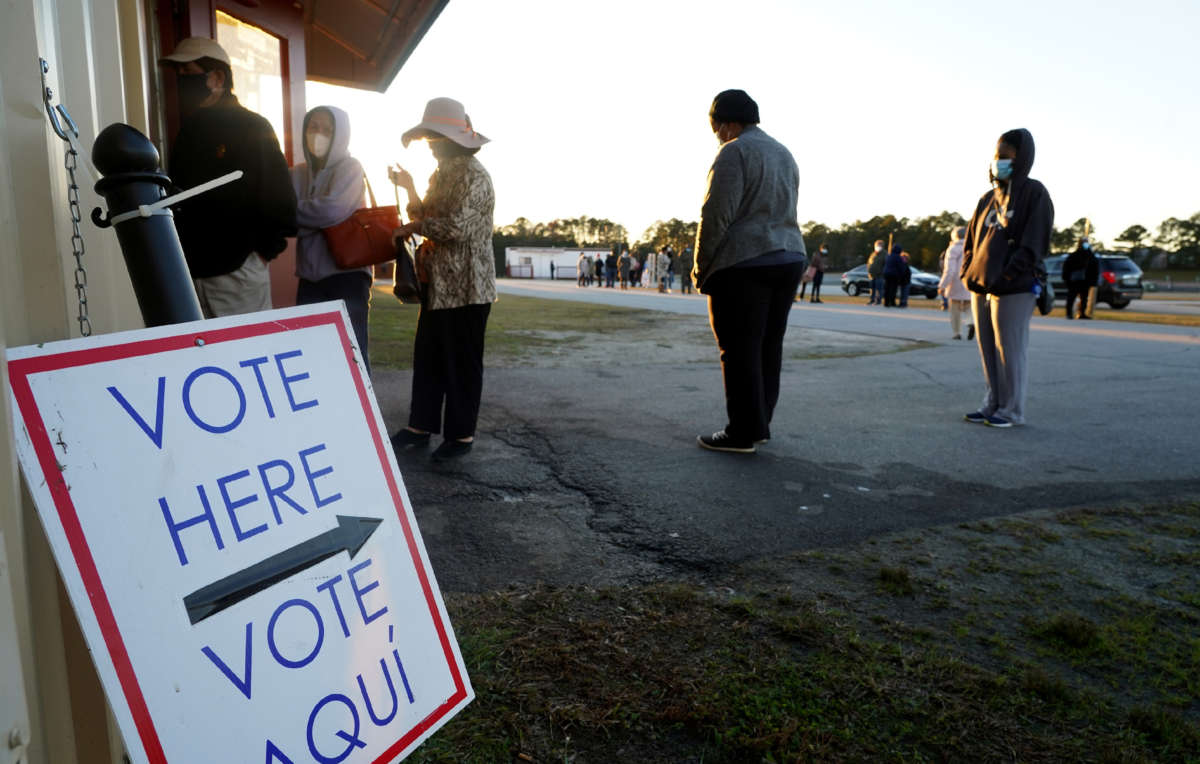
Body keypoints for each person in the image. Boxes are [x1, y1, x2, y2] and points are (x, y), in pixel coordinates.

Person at [692, 89, 806, 454]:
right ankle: (759, 425)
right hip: (788, 257)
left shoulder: (734, 151)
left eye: (715, 127)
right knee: (768, 346)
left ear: (725, 123)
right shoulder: (784, 153)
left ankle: (741, 431)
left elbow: (716, 215)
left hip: (747, 261)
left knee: (738, 348)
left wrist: (701, 266)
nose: (717, 135)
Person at [387, 97, 497, 460]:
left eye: (436, 137)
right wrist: (408, 188)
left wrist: (415, 225)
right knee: (430, 356)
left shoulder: (475, 176)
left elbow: (457, 227)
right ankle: (421, 426)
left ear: (454, 139)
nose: (431, 144)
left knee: (462, 363)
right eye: (429, 137)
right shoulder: (443, 172)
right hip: (439, 284)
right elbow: (426, 214)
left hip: (468, 286)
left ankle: (461, 435)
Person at [160, 37, 296, 317]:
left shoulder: (252, 126)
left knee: (248, 348)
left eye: (188, 73)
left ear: (217, 77)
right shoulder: (188, 132)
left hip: (238, 276)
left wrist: (259, 253)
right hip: (189, 275)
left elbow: (281, 200)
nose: (181, 82)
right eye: (179, 75)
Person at [961, 128, 1054, 428]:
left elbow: (1034, 242)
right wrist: (967, 272)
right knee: (987, 348)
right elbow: (971, 240)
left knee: (1009, 349)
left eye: (1006, 156)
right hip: (981, 284)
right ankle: (992, 403)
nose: (998, 161)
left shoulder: (1034, 193)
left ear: (1021, 158)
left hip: (1014, 287)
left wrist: (1009, 274)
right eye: (996, 155)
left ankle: (1012, 409)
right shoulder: (988, 198)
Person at [290, 106, 372, 368]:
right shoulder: (297, 173)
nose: (318, 134)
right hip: (309, 278)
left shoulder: (350, 167)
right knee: (311, 355)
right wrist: (311, 219)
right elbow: (284, 215)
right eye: (313, 127)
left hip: (347, 275)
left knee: (352, 353)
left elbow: (331, 210)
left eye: (327, 129)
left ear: (341, 134)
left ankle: (361, 410)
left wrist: (300, 219)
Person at [938, 227, 974, 340]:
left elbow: (950, 270)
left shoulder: (953, 249)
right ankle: (970, 322)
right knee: (969, 307)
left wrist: (942, 285)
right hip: (969, 281)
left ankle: (957, 333)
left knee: (955, 309)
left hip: (956, 282)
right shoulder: (973, 247)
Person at [1062, 237, 1098, 319]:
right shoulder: (1074, 256)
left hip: (1085, 281)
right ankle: (1069, 313)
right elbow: (1067, 268)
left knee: (1084, 298)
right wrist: (1067, 278)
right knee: (1071, 297)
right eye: (1084, 242)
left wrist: (1093, 280)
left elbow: (1094, 268)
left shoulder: (1090, 256)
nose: (1086, 244)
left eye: (1086, 242)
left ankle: (1082, 313)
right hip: (1074, 281)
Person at [867, 240, 886, 304]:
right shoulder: (873, 254)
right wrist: (869, 270)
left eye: (879, 245)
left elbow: (886, 265)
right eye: (877, 245)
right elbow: (869, 263)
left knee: (879, 288)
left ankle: (878, 300)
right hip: (872, 275)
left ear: (882, 246)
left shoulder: (885, 254)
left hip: (879, 275)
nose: (878, 246)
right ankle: (872, 299)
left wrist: (882, 272)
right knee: (872, 288)